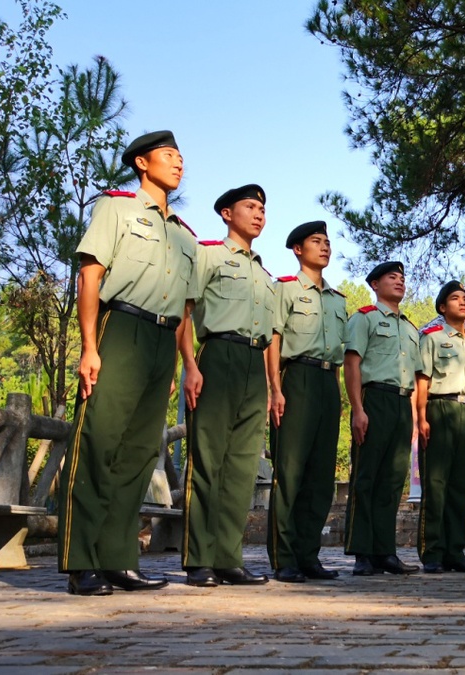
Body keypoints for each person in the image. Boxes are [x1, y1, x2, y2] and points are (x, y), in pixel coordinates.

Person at [57, 130, 197, 596]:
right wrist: (90, 346)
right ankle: (82, 561)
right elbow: (91, 275)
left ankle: (118, 558)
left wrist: (183, 364)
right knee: (99, 442)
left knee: (138, 455)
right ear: (142, 163)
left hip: (163, 341)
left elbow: (184, 308)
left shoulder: (184, 234)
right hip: (123, 329)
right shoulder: (117, 208)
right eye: (168, 155)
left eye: (181, 156)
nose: (178, 162)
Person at [177, 184, 274, 588]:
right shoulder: (210, 255)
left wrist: (273, 385)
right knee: (208, 460)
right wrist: (189, 365)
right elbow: (185, 309)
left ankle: (229, 557)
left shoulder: (264, 274)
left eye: (263, 209)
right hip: (218, 355)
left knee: (243, 467)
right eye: (249, 207)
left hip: (255, 366)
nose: (258, 214)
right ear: (226, 214)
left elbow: (272, 336)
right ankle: (199, 559)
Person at [265, 221, 348, 583]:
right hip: (295, 378)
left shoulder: (338, 300)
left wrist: (339, 396)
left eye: (328, 242)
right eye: (317, 241)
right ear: (298, 249)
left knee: (320, 476)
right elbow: (273, 339)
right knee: (291, 471)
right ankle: (284, 558)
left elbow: (340, 353)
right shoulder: (285, 289)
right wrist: (274, 389)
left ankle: (308, 555)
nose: (325, 247)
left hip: (328, 382)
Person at [343, 261, 422, 576]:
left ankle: (385, 552)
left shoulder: (411, 328)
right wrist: (357, 409)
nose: (400, 281)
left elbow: (415, 377)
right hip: (374, 399)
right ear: (375, 284)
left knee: (392, 481)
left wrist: (414, 418)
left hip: (402, 405)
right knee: (366, 477)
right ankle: (362, 552)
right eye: (392, 277)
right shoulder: (365, 319)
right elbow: (352, 364)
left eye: (402, 278)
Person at [415, 281, 465, 574]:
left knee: (461, 487)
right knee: (435, 484)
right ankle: (432, 551)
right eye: (455, 299)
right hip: (439, 408)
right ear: (443, 308)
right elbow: (422, 380)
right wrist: (421, 417)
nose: (463, 303)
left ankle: (455, 551)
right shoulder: (432, 338)